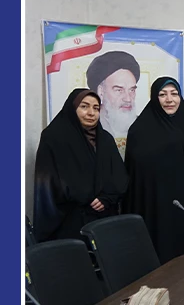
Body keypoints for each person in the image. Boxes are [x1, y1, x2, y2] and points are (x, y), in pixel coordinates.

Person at [123, 77, 184, 263]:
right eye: (162, 95)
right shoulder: (140, 131)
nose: (169, 100)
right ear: (154, 98)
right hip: (159, 208)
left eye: (174, 94)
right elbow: (138, 178)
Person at [33, 88, 127, 242]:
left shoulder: (105, 139)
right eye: (84, 106)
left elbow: (119, 175)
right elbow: (48, 181)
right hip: (68, 219)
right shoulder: (53, 138)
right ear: (72, 108)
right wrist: (85, 196)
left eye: (96, 108)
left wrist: (107, 197)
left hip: (102, 216)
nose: (91, 113)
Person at [86, 50, 140, 158]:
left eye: (132, 90)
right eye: (119, 90)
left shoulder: (145, 127)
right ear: (101, 92)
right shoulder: (86, 129)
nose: (128, 99)